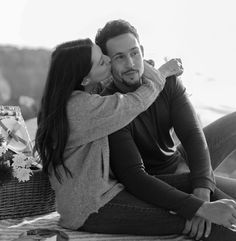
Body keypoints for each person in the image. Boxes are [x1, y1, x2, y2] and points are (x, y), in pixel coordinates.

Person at [78, 19, 236, 241]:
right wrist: (197, 206)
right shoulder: (110, 107)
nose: (131, 63)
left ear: (142, 51)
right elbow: (134, 176)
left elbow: (192, 136)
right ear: (108, 63)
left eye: (134, 53)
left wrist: (202, 192)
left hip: (180, 162)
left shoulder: (167, 83)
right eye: (120, 57)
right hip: (157, 182)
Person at [34, 38, 183, 231]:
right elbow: (134, 102)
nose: (109, 59)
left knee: (198, 186)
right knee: (192, 220)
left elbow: (116, 83)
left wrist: (140, 66)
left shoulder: (71, 96)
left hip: (107, 192)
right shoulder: (79, 108)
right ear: (84, 79)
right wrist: (161, 73)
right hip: (90, 209)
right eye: (102, 61)